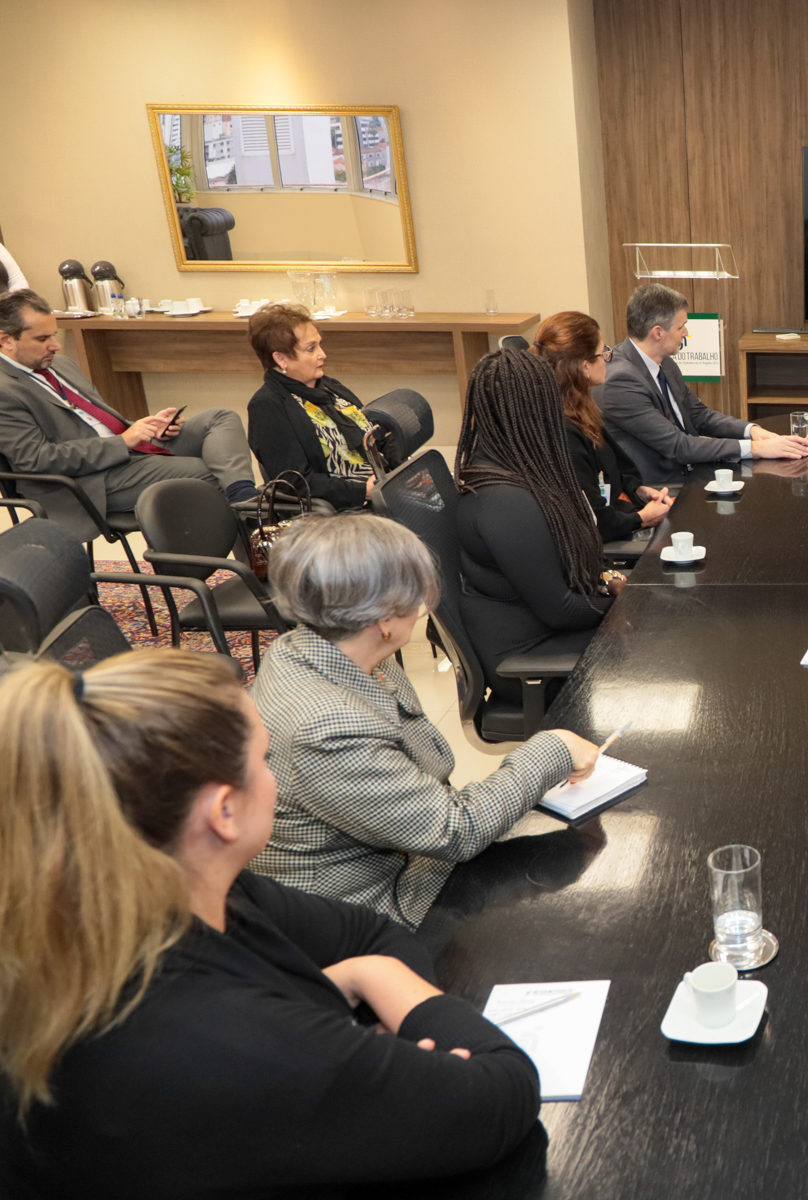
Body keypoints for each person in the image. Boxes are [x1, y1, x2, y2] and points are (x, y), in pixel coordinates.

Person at [0, 651, 542, 1196]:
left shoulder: (167, 893)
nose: (277, 779)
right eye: (264, 760)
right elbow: (505, 1091)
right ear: (223, 812)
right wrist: (373, 988)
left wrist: (346, 1015)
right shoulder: (223, 1042)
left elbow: (372, 934)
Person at [250, 512, 601, 927]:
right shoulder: (326, 727)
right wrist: (554, 747)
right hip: (371, 913)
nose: (420, 608)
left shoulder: (303, 647)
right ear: (382, 619)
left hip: (406, 856)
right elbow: (455, 830)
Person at [0, 289, 257, 541]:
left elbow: (95, 421)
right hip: (87, 481)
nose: (55, 346)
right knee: (213, 475)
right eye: (43, 339)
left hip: (122, 450)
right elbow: (36, 459)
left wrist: (148, 427)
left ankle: (247, 504)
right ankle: (258, 553)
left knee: (221, 418)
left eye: (54, 335)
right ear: (6, 340)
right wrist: (122, 442)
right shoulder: (5, 390)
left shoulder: (62, 365)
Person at [459, 348, 622, 701]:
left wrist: (609, 582)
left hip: (550, 641)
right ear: (534, 409)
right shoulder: (503, 501)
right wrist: (634, 606)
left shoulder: (518, 468)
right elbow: (561, 609)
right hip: (533, 666)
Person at [599, 283, 808, 484]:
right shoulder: (620, 381)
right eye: (681, 326)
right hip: (660, 488)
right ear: (658, 333)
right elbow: (678, 446)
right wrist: (755, 448)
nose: (686, 333)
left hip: (691, 472)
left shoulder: (665, 362)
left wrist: (751, 430)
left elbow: (700, 415)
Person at [530, 309, 674, 539]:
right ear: (584, 366)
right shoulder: (564, 431)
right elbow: (592, 519)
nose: (609, 358)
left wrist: (639, 491)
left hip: (619, 513)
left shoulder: (582, 408)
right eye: (603, 352)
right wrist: (643, 519)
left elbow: (614, 467)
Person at [245, 301, 384, 511]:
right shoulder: (268, 406)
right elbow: (295, 482)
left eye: (319, 345)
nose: (322, 354)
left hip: (381, 489)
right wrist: (362, 490)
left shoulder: (329, 387)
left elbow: (369, 438)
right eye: (311, 349)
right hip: (344, 510)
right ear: (281, 359)